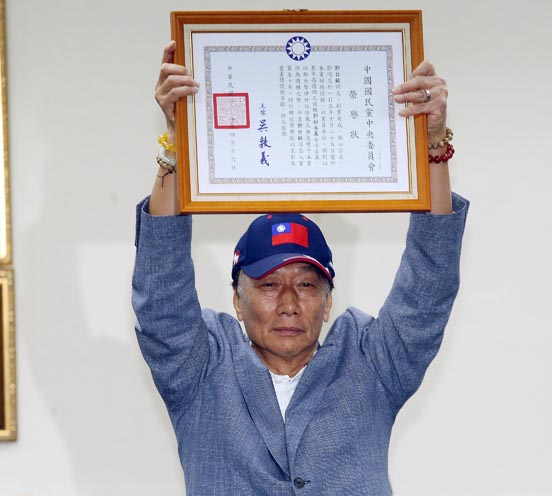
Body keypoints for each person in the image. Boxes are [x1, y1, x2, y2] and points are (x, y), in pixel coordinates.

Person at [132, 41, 469, 495]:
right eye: (269, 284)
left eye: (307, 285)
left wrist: (432, 145)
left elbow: (429, 282)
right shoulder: (202, 369)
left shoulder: (371, 363)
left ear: (328, 303)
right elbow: (162, 290)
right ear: (237, 300)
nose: (289, 303)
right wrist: (177, 144)